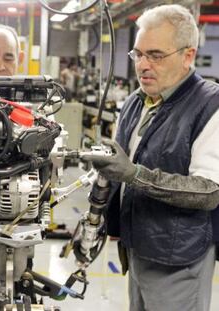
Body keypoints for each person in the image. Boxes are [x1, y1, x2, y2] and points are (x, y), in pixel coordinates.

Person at [81, 5, 219, 311]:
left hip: (179, 259)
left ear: (188, 55)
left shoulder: (210, 105)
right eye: (138, 54)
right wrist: (95, 221)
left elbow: (208, 191)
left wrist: (134, 175)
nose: (143, 65)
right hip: (138, 248)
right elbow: (116, 170)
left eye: (155, 55)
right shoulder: (136, 102)